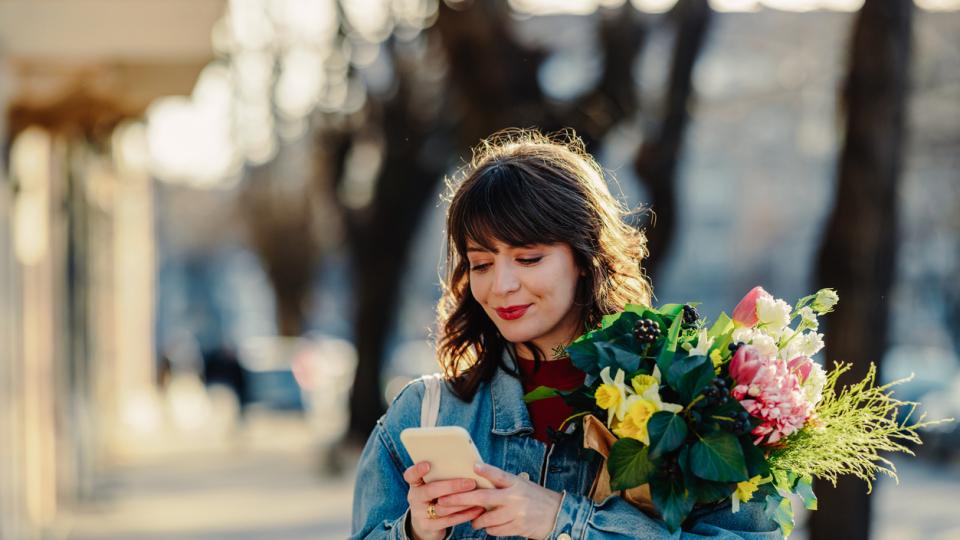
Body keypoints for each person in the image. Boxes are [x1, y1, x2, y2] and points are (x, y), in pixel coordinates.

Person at [350, 129, 781, 539]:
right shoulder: (424, 415)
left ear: (584, 256)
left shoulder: (694, 409)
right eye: (481, 264)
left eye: (529, 258)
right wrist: (416, 532)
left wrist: (564, 520)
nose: (501, 286)